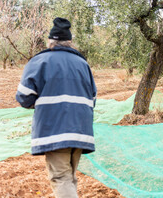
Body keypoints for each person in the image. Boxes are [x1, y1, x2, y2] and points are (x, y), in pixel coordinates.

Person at [16, 17, 97, 198]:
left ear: (51, 41)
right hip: (81, 130)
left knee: (60, 178)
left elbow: (23, 96)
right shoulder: (83, 64)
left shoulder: (40, 61)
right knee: (69, 177)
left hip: (55, 129)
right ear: (70, 42)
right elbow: (93, 98)